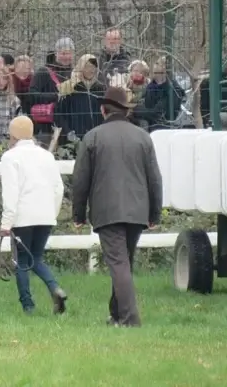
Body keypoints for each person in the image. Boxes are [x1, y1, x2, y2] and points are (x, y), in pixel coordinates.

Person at [71, 87, 163, 327]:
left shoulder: (93, 137)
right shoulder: (143, 137)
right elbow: (155, 178)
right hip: (138, 210)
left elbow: (80, 180)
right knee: (124, 262)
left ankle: (130, 319)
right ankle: (116, 314)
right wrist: (154, 213)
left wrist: (78, 214)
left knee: (119, 263)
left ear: (103, 110)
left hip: (107, 211)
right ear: (126, 111)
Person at [0, 116, 67, 314]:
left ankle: (28, 305)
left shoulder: (10, 157)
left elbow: (11, 192)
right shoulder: (46, 156)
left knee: (22, 261)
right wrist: (51, 213)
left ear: (13, 135)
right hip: (45, 215)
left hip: (22, 217)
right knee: (35, 258)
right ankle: (54, 288)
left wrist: (6, 223)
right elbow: (58, 188)